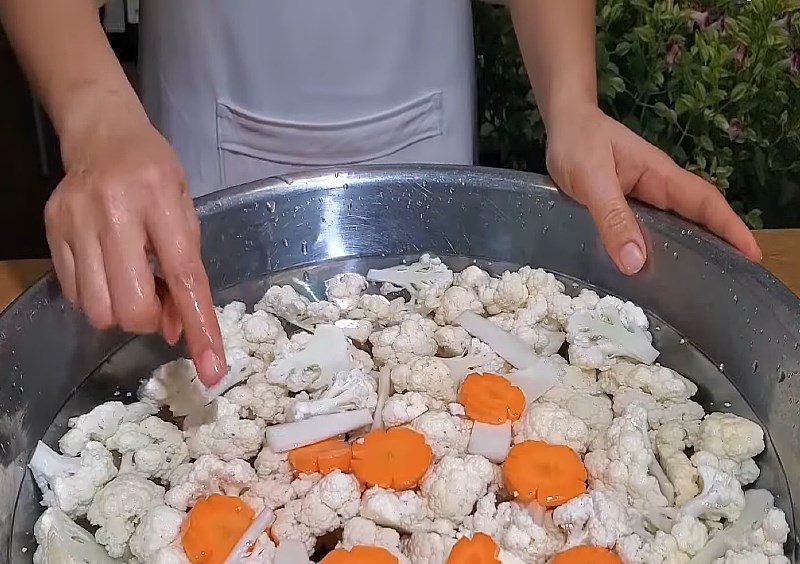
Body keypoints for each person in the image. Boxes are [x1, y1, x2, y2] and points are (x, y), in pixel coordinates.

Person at [0, 0, 761, 387]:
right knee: (210, 364)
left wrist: (572, 101)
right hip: (205, 116)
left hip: (421, 108)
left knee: (442, 340)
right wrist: (96, 117)